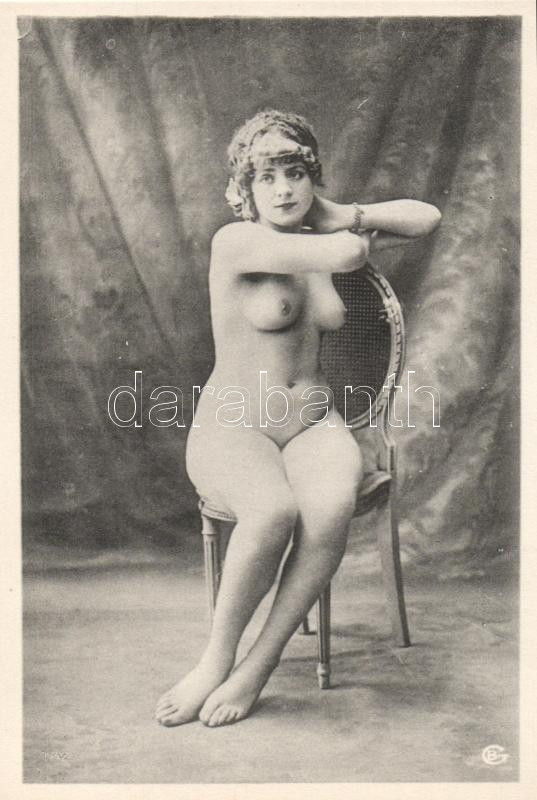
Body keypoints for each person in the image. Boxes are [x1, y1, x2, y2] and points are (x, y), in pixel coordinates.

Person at [155, 109, 441, 728]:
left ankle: (258, 665)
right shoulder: (238, 243)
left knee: (330, 510)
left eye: (296, 173)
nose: (283, 190)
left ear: (314, 176)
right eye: (267, 178)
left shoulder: (318, 234)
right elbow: (346, 250)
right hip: (235, 426)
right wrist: (338, 221)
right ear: (244, 189)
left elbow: (427, 218)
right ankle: (215, 659)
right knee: (272, 513)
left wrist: (340, 210)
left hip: (313, 424)